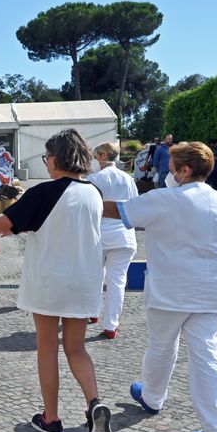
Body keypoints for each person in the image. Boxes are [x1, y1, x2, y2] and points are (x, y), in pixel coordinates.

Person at [0, 129, 113, 432]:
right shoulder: (92, 192)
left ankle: (51, 419)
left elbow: (4, 222)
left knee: (47, 347)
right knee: (76, 348)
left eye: (47, 157)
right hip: (84, 280)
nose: (46, 163)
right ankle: (94, 403)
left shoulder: (44, 192)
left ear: (58, 157)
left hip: (50, 281)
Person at [104, 141, 217, 432]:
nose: (167, 172)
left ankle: (152, 397)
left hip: (171, 290)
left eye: (171, 167)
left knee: (162, 346)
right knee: (207, 356)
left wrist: (77, 197)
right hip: (211, 290)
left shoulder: (165, 198)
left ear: (185, 171)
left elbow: (117, 211)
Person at [87, 142, 139, 340]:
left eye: (96, 155)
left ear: (103, 156)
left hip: (99, 234)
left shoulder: (94, 179)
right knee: (117, 281)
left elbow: (89, 208)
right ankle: (111, 325)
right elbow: (135, 206)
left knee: (94, 275)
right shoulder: (128, 179)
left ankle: (92, 312)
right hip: (124, 234)